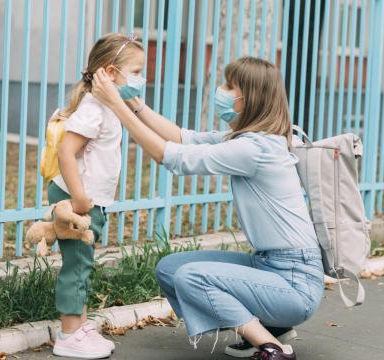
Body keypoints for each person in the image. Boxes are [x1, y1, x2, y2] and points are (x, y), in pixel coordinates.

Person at [91, 57, 323, 360]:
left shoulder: (254, 149)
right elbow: (181, 138)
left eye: (230, 86)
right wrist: (132, 103)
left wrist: (117, 108)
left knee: (192, 277)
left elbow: (169, 155)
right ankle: (271, 326)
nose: (221, 90)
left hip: (295, 282)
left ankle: (273, 349)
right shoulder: (250, 139)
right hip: (271, 266)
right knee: (171, 269)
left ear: (247, 98)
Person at [49, 33, 145, 359]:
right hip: (78, 202)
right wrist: (79, 200)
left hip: (90, 201)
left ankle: (81, 325)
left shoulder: (106, 106)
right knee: (76, 268)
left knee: (83, 265)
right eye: (135, 70)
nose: (141, 78)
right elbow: (66, 152)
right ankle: (68, 335)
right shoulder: (93, 109)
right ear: (109, 72)